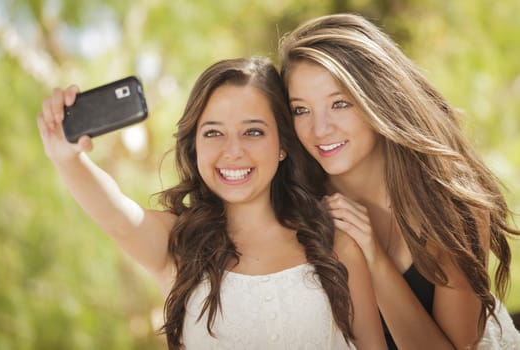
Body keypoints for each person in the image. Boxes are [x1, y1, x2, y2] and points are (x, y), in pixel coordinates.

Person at [37, 56, 387, 349]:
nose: (232, 151)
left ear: (282, 145)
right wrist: (67, 159)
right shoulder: (177, 245)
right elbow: (116, 216)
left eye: (253, 131)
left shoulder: (335, 242)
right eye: (213, 132)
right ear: (195, 146)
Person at [279, 13, 520, 350]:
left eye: (340, 103)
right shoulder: (291, 202)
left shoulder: (451, 206)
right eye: (301, 110)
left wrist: (373, 258)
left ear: (378, 100)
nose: (319, 129)